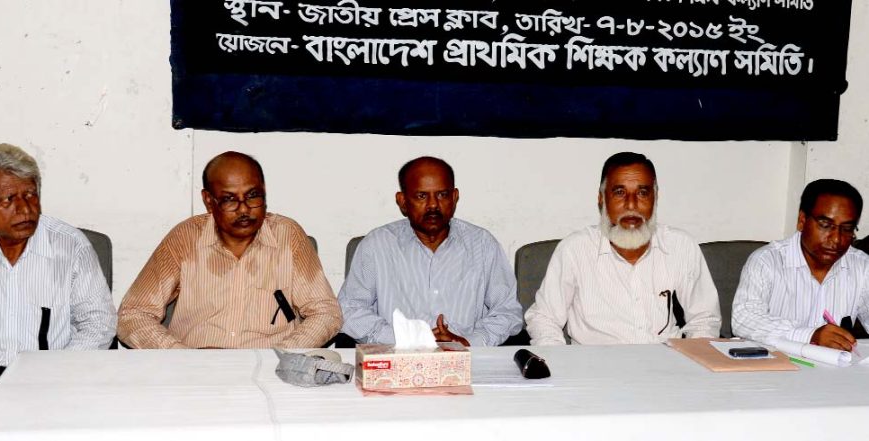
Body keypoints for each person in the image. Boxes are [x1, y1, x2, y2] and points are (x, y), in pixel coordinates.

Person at [0, 144, 116, 440]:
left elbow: (98, 322)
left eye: (30, 195)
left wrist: (58, 372)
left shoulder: (70, 245)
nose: (25, 209)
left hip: (53, 378)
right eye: (8, 199)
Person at [117, 152, 341, 349]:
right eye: (229, 200)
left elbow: (325, 313)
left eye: (253, 196)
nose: (244, 209)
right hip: (196, 371)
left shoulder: (288, 236)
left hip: (271, 368)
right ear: (208, 201)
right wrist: (182, 357)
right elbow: (133, 315)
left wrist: (280, 355)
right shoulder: (185, 238)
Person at [525, 152, 720, 345]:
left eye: (643, 193)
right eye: (619, 192)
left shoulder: (680, 246)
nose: (631, 204)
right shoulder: (575, 250)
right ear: (601, 198)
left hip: (665, 365)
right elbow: (544, 319)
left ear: (655, 197)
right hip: (595, 368)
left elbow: (704, 320)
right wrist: (560, 364)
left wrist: (697, 363)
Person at [338, 156, 523, 346]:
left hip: (468, 360)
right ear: (402, 201)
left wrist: (468, 342)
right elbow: (349, 309)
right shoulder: (377, 245)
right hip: (398, 358)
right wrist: (408, 339)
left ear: (454, 197)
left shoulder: (482, 245)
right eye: (421, 196)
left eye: (442, 195)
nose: (433, 205)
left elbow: (508, 312)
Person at [732, 179, 869, 350]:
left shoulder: (862, 266)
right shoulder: (767, 261)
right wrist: (810, 335)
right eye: (825, 225)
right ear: (802, 221)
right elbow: (744, 319)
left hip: (833, 371)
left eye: (847, 229)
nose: (836, 239)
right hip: (774, 369)